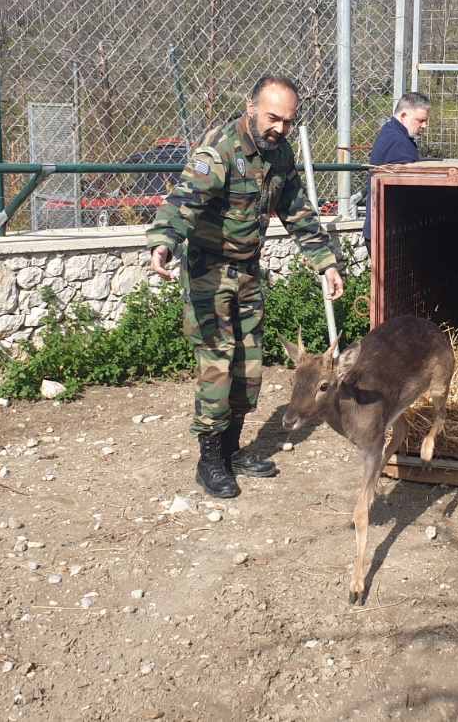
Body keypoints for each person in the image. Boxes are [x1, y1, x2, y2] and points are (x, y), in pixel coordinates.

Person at [147, 75, 345, 498]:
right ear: (251, 107)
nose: (280, 128)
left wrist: (325, 263)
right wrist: (164, 243)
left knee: (248, 366)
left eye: (289, 121)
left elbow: (297, 211)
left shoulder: (280, 153)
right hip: (209, 274)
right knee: (217, 367)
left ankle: (233, 451)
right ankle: (210, 461)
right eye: (274, 118)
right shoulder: (221, 148)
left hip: (248, 273)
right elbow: (184, 200)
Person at [361, 91, 430, 245]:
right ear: (404, 116)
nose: (425, 125)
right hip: (388, 234)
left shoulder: (391, 132)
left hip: (383, 230)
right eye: (420, 120)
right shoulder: (398, 142)